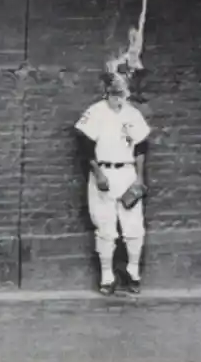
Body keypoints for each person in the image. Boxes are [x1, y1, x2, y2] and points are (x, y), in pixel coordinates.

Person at [74, 68, 151, 295]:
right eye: (115, 93)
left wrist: (139, 177)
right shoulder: (95, 112)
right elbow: (85, 146)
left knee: (134, 227)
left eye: (123, 93)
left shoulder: (132, 114)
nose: (119, 98)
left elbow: (140, 147)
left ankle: (133, 272)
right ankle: (107, 276)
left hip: (126, 172)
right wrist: (98, 173)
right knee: (106, 226)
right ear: (107, 92)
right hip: (104, 171)